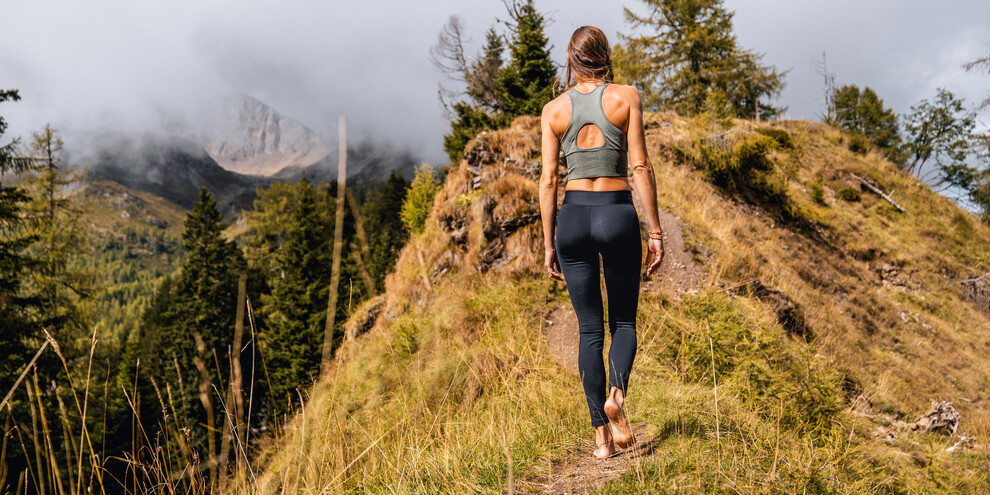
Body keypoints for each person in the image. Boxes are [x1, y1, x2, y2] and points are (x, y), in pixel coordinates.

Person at [539, 25, 664, 460]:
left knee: (589, 330)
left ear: (571, 59)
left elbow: (549, 180)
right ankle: (616, 396)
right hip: (616, 213)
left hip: (572, 218)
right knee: (623, 323)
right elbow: (641, 166)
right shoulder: (626, 97)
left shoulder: (553, 110)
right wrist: (655, 231)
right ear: (604, 55)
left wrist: (549, 243)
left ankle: (600, 440)